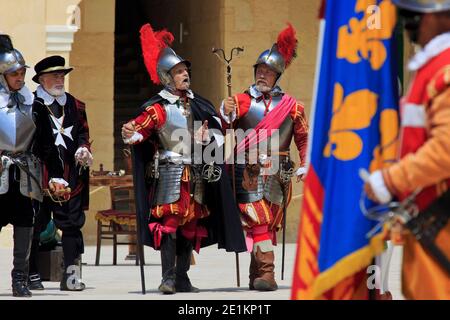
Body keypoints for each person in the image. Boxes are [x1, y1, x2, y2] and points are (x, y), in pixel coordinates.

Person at [122, 23, 246, 294]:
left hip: (198, 172)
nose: (185, 74)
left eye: (185, 70)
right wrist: (129, 132)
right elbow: (138, 131)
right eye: (179, 71)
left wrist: (214, 129)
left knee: (191, 223)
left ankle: (181, 277)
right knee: (170, 222)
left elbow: (217, 131)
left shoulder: (198, 103)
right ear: (167, 77)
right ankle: (167, 277)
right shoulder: (158, 108)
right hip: (170, 172)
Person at [364, 0, 450, 300]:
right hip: (425, 223)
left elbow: (445, 150)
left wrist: (390, 179)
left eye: (417, 15)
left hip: (442, 223)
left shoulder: (445, 69)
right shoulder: (430, 67)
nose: (409, 23)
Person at [221, 23, 309, 291]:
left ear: (277, 76)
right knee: (256, 217)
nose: (262, 75)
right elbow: (223, 127)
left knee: (269, 222)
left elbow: (304, 138)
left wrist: (306, 163)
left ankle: (255, 274)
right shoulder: (240, 100)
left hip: (279, 170)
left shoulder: (293, 107)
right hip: (248, 170)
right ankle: (268, 274)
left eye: (268, 72)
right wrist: (225, 113)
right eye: (259, 71)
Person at [30, 55, 93, 291]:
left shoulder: (76, 105)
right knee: (35, 225)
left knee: (72, 226)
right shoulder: (31, 104)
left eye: (62, 75)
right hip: (39, 175)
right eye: (54, 76)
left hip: (70, 177)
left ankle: (71, 277)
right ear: (41, 79)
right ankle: (31, 274)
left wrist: (84, 149)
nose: (60, 79)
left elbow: (83, 134)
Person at [0, 34, 42, 297]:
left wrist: (57, 174)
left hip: (25, 173)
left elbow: (45, 141)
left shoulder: (32, 102)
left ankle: (20, 279)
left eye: (22, 72)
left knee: (25, 226)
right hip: (0, 172)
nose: (19, 77)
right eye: (14, 73)